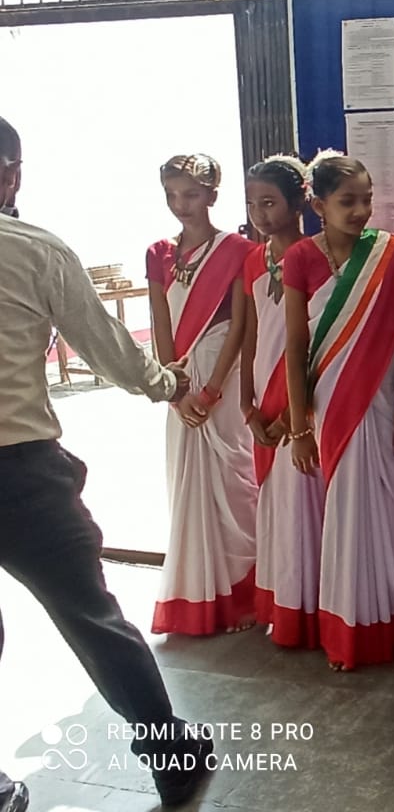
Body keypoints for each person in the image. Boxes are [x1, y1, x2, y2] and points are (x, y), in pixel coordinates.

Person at [0, 116, 214, 810]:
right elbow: (106, 345)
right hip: (22, 473)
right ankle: (173, 757)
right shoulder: (34, 248)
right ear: (12, 173)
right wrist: (169, 383)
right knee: (92, 617)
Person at [282, 151, 394, 671]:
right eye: (347, 201)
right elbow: (296, 346)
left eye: (366, 200)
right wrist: (300, 427)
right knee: (342, 516)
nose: (361, 210)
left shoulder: (393, 254)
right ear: (318, 204)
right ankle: (348, 631)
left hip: (384, 397)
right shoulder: (299, 258)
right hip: (331, 407)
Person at [148, 154, 258, 636]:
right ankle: (199, 596)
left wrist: (212, 390)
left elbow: (239, 326)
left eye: (191, 194)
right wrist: (174, 390)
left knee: (234, 483)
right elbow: (160, 325)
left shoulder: (238, 249)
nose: (181, 205)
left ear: (212, 195)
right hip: (181, 386)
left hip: (223, 380)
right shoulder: (158, 253)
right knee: (186, 486)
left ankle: (244, 593)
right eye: (172, 195)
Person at [241, 155, 325, 649]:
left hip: (301, 398)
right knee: (275, 505)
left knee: (306, 502)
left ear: (298, 202)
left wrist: (303, 409)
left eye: (270, 203)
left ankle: (314, 607)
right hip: (263, 399)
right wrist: (249, 402)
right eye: (252, 204)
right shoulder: (254, 259)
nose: (260, 214)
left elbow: (313, 339)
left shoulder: (316, 255)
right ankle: (283, 604)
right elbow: (252, 327)